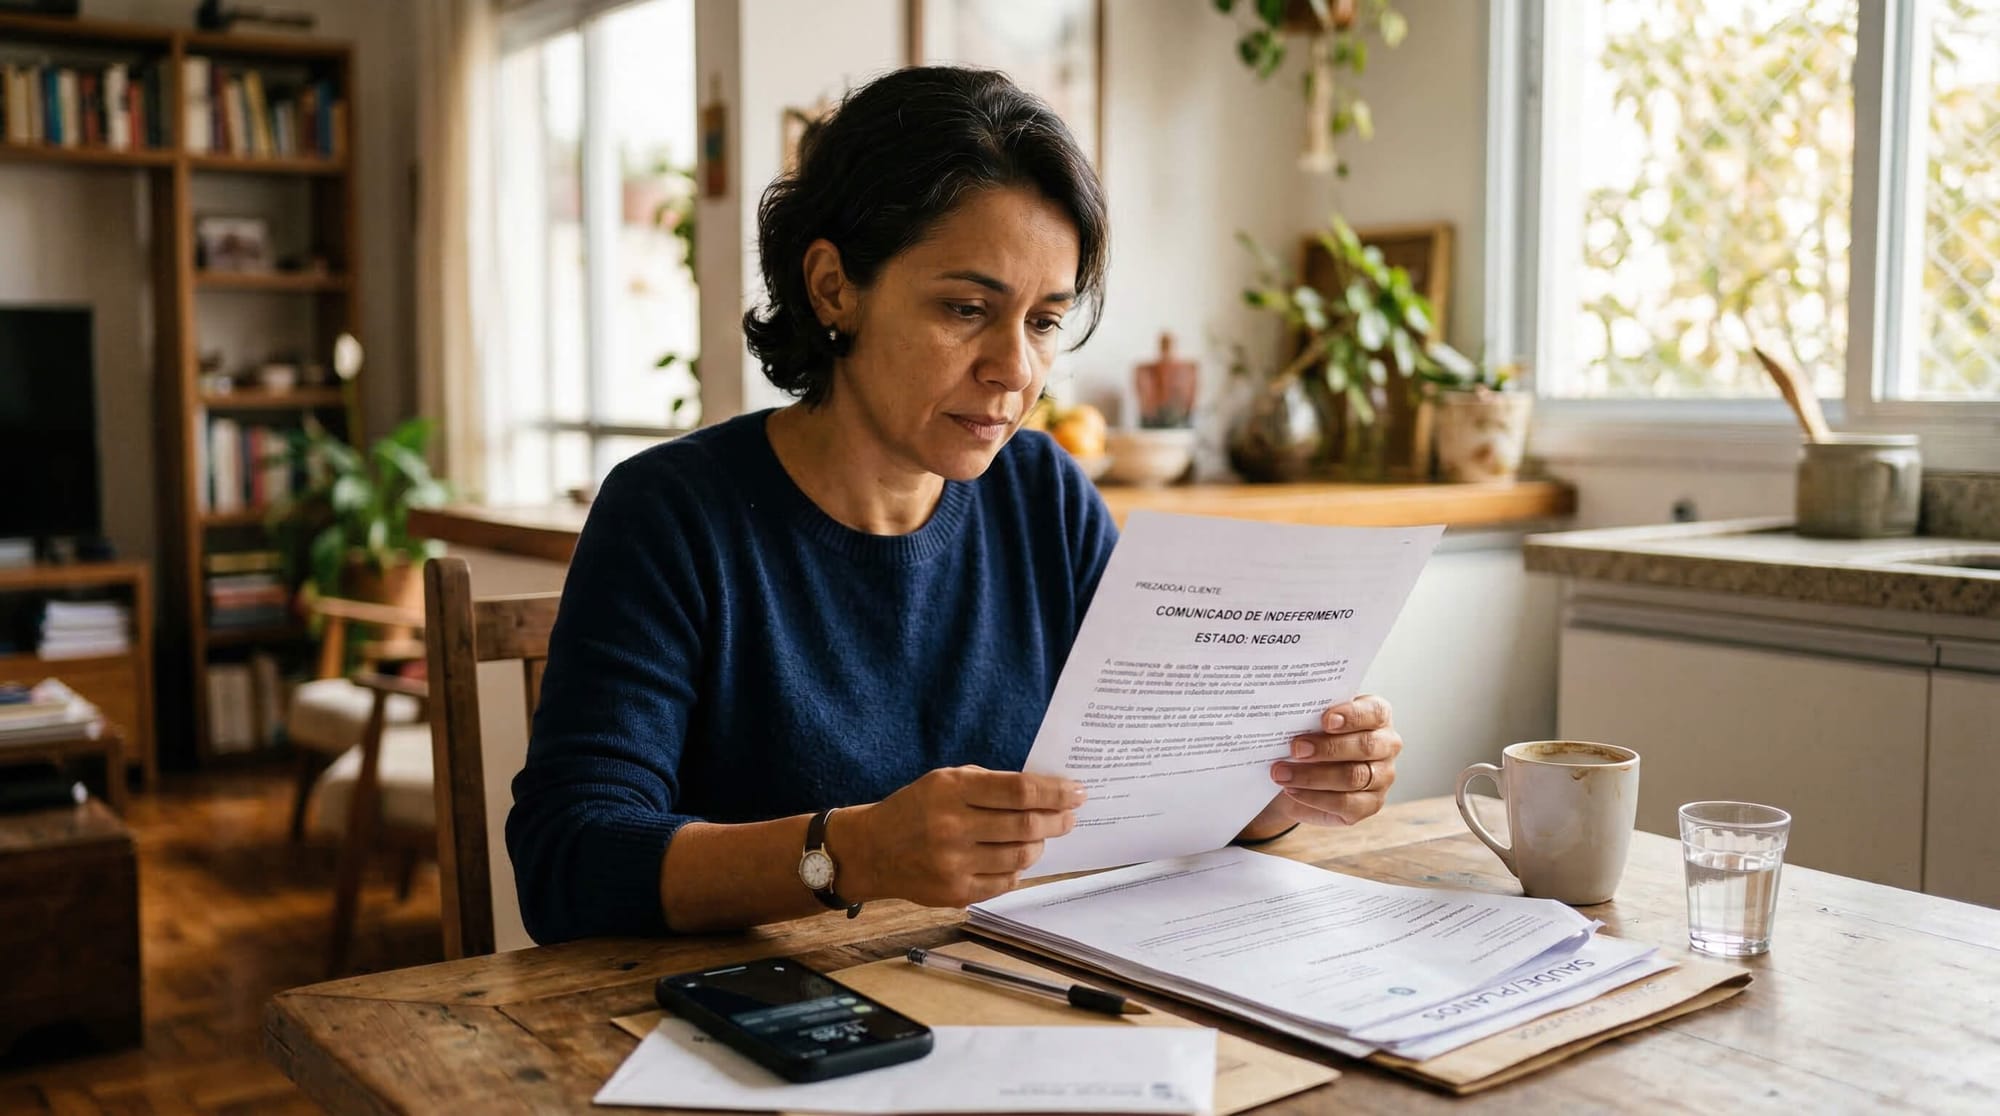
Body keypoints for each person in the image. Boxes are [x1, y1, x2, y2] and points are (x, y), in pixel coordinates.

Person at [506, 66, 1403, 943]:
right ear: (833, 289)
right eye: (968, 308)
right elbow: (569, 865)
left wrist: (1280, 790)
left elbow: (1149, 794)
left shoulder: (1044, 493)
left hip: (1014, 996)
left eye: (1045, 321)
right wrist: (851, 852)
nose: (1015, 369)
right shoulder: (672, 514)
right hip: (761, 1035)